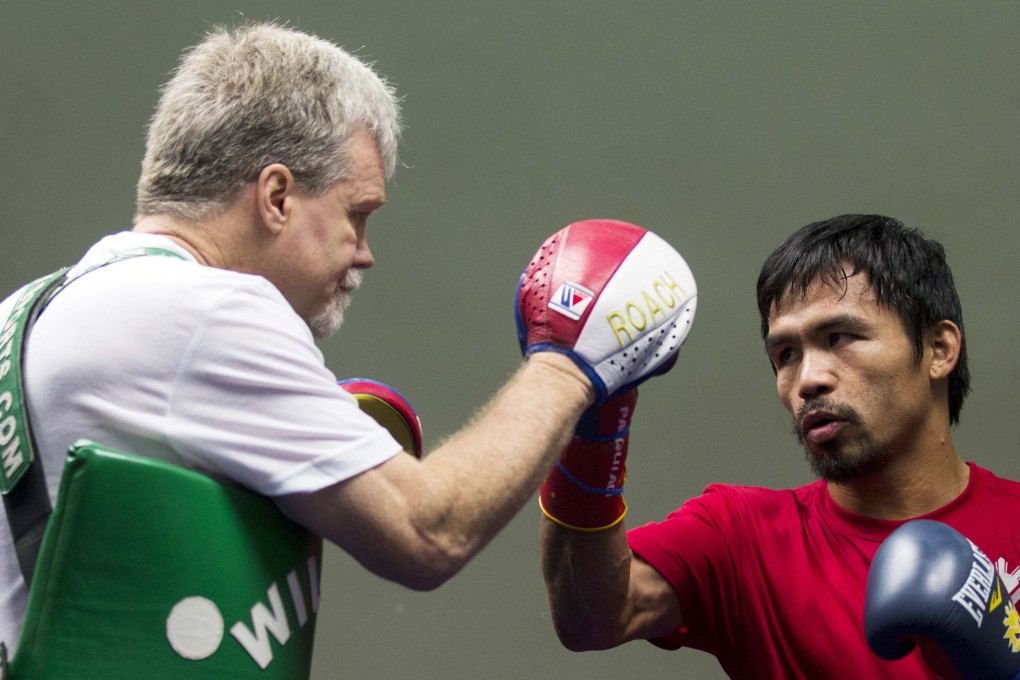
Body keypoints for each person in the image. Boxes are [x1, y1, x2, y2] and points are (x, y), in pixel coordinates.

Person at [0, 22, 693, 675]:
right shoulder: (205, 313)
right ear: (276, 196)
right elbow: (429, 531)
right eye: (356, 214)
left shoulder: (32, 310)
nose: (364, 255)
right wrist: (568, 362)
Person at [539, 214, 1020, 679]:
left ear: (939, 350)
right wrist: (588, 419)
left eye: (840, 337)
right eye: (786, 354)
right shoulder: (742, 537)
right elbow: (591, 616)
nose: (807, 380)